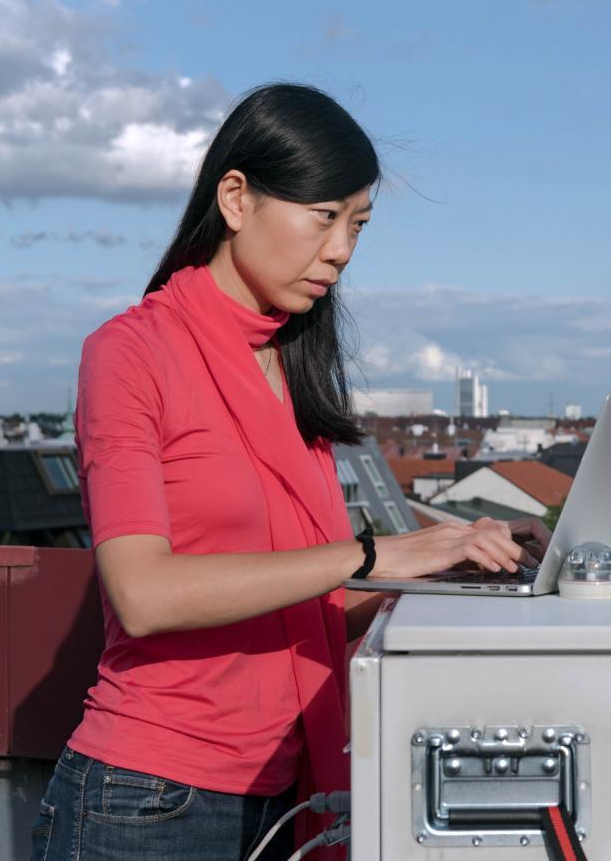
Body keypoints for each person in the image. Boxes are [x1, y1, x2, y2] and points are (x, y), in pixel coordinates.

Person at [30, 83, 547, 861]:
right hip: (146, 803)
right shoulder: (130, 352)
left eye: (359, 225)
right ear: (235, 198)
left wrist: (455, 559)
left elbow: (306, 606)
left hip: (289, 791)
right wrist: (375, 554)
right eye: (324, 216)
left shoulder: (291, 368)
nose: (341, 248)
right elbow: (142, 594)